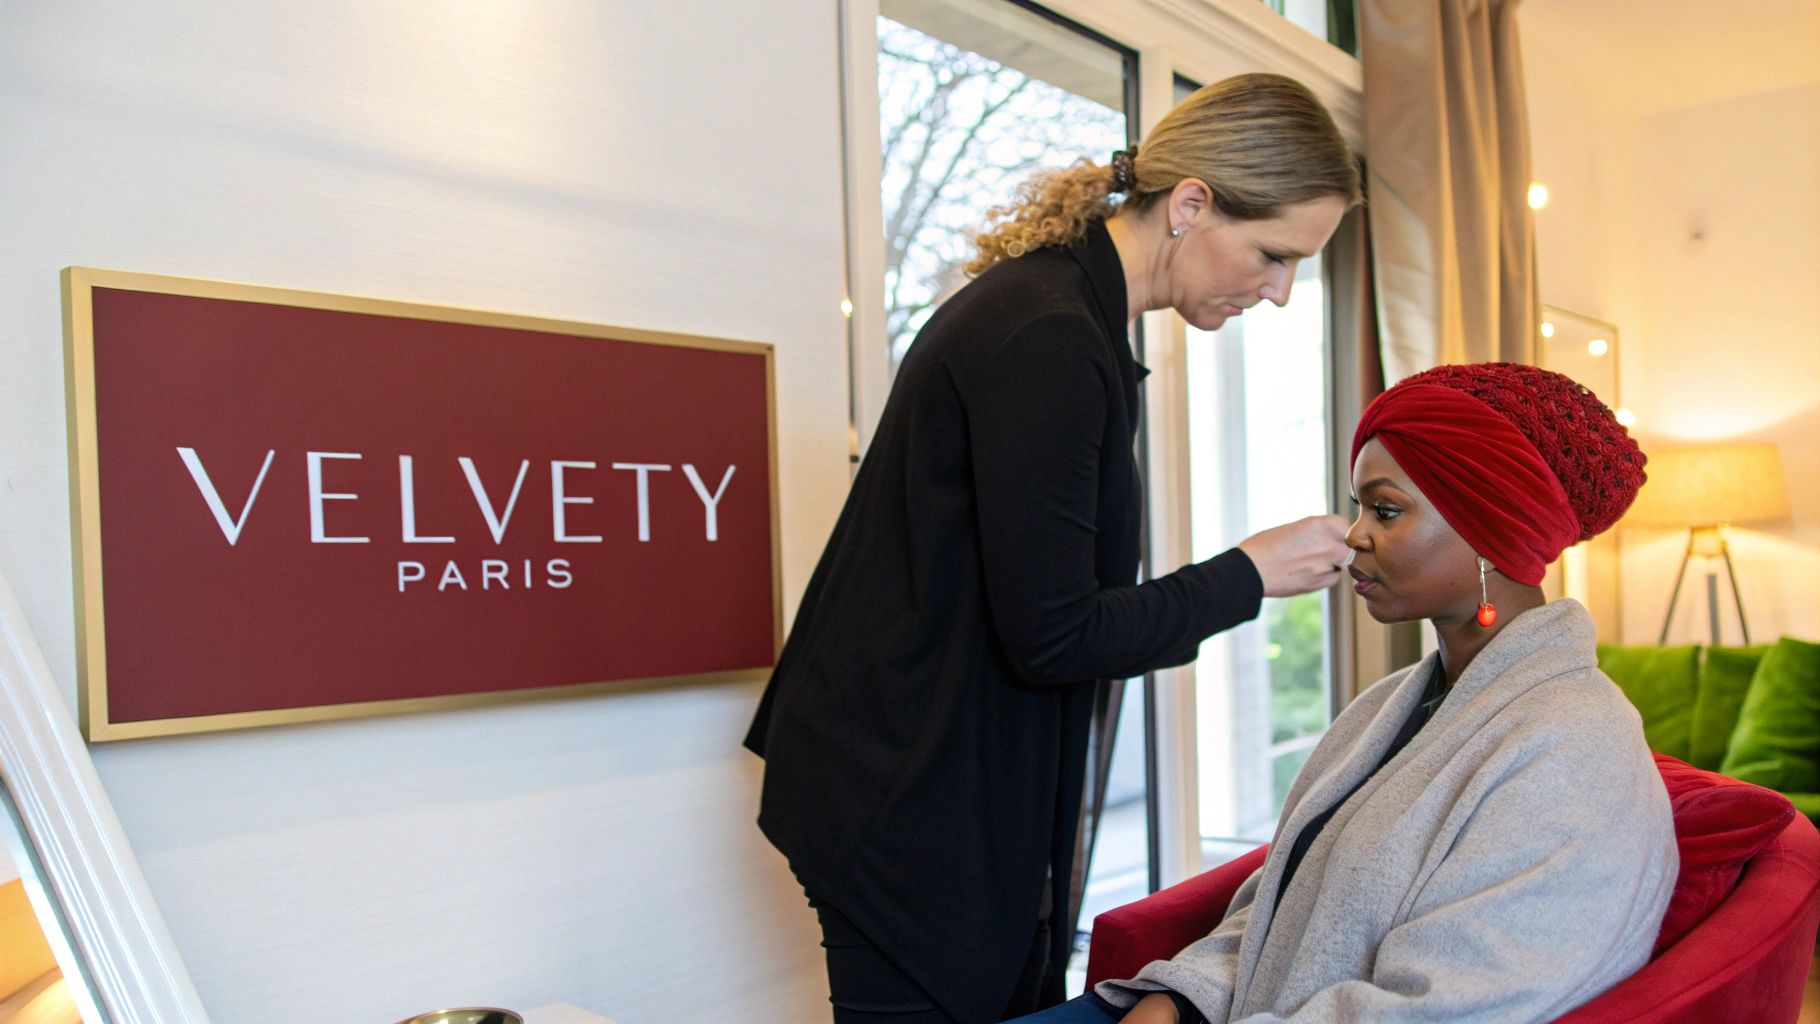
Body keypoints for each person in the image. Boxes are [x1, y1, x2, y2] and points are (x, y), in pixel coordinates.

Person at [743, 73, 1362, 1023]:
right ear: (1191, 205)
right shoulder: (1049, 338)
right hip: (903, 800)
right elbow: (1056, 635)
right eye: (1273, 256)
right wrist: (1251, 574)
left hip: (930, 778)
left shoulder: (1068, 316)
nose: (1278, 294)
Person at [1008, 363, 1679, 1024]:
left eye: (1386, 510)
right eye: (1361, 506)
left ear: (1491, 529)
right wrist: (1178, 997)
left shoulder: (1574, 752)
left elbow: (1452, 1006)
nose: (1356, 533)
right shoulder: (1385, 708)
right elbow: (1281, 908)